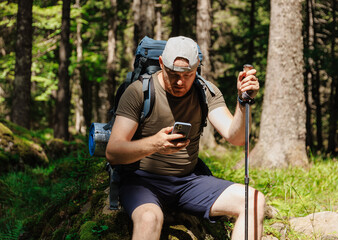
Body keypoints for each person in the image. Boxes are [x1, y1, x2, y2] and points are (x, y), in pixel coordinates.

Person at [106, 36, 265, 240]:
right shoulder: (139, 92)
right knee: (149, 218)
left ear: (197, 67)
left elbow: (236, 138)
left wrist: (244, 101)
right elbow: (113, 152)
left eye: (188, 74)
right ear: (162, 63)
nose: (180, 82)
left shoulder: (205, 92)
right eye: (173, 74)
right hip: (142, 181)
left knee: (254, 201)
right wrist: (155, 143)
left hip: (188, 182)